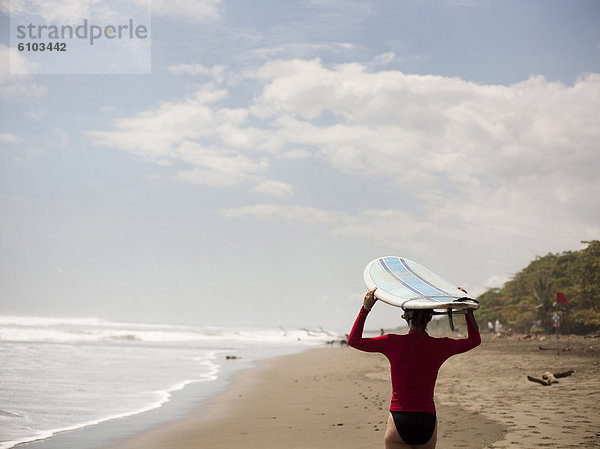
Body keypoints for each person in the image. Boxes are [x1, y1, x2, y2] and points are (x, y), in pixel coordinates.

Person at [348, 288, 481, 449]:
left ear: (406, 318)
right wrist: (465, 308)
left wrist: (365, 308)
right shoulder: (441, 346)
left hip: (399, 418)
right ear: (430, 318)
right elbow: (474, 341)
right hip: (427, 420)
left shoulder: (392, 342)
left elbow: (354, 341)